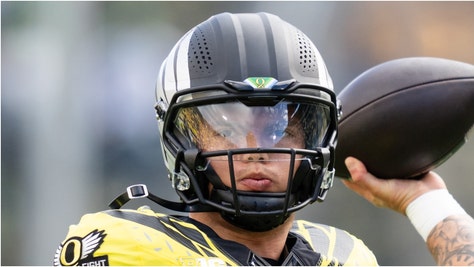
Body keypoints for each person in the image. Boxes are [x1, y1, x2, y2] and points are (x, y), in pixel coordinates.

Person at [53, 12, 474, 266]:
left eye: (281, 129)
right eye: (226, 127)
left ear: (318, 138)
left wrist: (425, 202)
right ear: (180, 139)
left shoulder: (343, 254)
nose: (257, 150)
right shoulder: (125, 246)